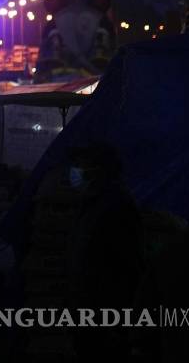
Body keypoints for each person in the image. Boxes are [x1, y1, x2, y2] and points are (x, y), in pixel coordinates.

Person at [65, 145, 143, 361]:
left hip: (104, 320)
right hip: (88, 314)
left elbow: (127, 268)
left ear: (97, 169)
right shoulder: (91, 204)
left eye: (80, 165)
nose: (74, 171)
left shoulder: (116, 207)